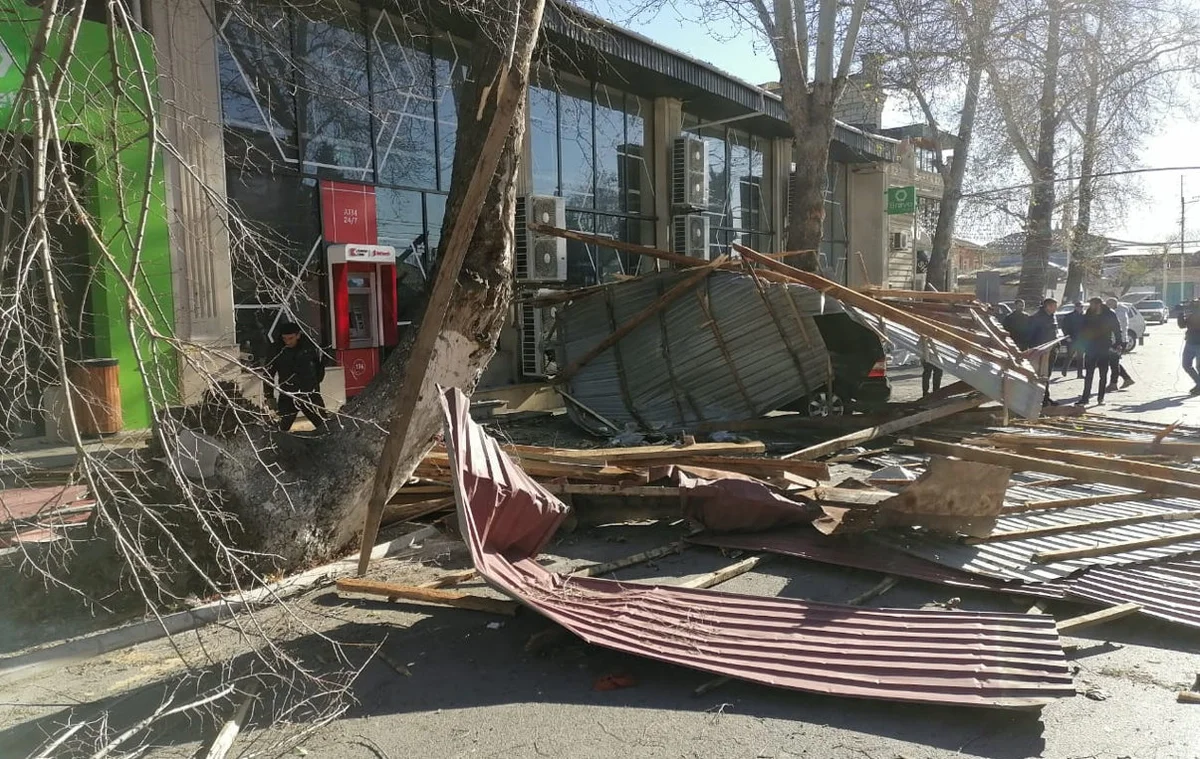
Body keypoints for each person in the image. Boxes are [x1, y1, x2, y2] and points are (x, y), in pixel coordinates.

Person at [265, 322, 328, 431]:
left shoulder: (308, 347)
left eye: (291, 338)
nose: (287, 342)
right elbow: (268, 373)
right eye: (284, 338)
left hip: (310, 393)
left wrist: (316, 383)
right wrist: (269, 396)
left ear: (298, 335)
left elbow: (318, 366)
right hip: (288, 394)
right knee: (280, 429)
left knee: (324, 426)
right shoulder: (277, 349)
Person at [1076, 298, 1121, 406]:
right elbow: (1083, 328)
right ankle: (1085, 398)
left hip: (1104, 346)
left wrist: (1118, 343)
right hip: (1091, 347)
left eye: (1093, 304)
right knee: (1089, 374)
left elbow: (1116, 328)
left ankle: (1100, 398)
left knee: (1103, 373)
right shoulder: (1089, 313)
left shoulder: (1110, 314)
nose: (1091, 306)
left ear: (1099, 304)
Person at [1027, 298, 1059, 405]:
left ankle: (1046, 397)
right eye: (1054, 306)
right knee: (1041, 375)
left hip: (1052, 350)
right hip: (1042, 351)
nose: (1056, 308)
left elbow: (1054, 331)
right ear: (1048, 306)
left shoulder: (1052, 316)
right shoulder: (1037, 318)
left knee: (1047, 375)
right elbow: (1030, 335)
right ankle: (1040, 399)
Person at [1104, 297, 1135, 391]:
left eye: (1108, 304)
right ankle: (1127, 378)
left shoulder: (1118, 314)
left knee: (1114, 362)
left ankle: (1114, 383)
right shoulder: (1119, 312)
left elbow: (1115, 329)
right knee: (1114, 362)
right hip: (1118, 340)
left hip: (1118, 341)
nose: (1106, 306)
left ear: (1113, 304)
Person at [1179, 299, 1200, 395]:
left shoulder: (1194, 312)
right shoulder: (1190, 312)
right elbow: (1182, 325)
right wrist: (1180, 314)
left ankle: (1199, 386)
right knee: (1186, 365)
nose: (1195, 303)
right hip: (1190, 342)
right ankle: (1199, 384)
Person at [1059, 301, 1085, 378]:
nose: (1080, 308)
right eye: (1079, 306)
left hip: (1081, 340)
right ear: (1075, 307)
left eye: (1081, 307)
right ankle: (1064, 370)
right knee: (1069, 356)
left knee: (1080, 357)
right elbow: (1065, 327)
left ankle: (1080, 374)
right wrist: (1067, 337)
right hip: (1072, 339)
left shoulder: (1084, 316)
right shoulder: (1069, 316)